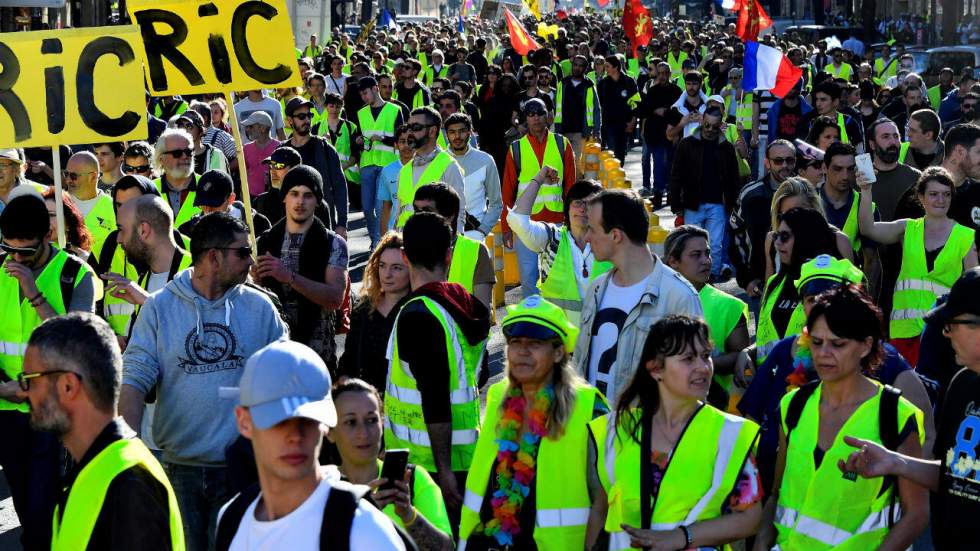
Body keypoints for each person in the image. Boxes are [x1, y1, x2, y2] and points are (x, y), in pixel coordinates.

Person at [120, 213, 289, 551]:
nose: (250, 261)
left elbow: (287, 380)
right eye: (242, 252)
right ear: (213, 257)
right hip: (180, 470)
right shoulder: (159, 309)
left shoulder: (261, 309)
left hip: (245, 470)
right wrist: (129, 459)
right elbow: (134, 380)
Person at [754, 286, 929, 550]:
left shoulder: (895, 414)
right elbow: (776, 493)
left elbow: (916, 514)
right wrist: (762, 542)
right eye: (816, 342)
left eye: (838, 344)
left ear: (866, 346)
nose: (824, 353)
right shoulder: (793, 405)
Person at [586, 315, 762, 551]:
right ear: (656, 369)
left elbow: (750, 518)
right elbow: (600, 509)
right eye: (688, 358)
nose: (703, 367)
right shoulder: (614, 429)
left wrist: (682, 537)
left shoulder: (731, 432)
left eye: (706, 356)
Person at [214, 341, 407, 551]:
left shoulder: (362, 529)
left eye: (308, 420)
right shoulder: (232, 518)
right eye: (278, 421)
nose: (295, 436)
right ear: (244, 422)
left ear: (326, 424)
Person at [838, 267, 980, 549]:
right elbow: (956, 475)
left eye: (952, 324)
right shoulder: (962, 385)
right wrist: (896, 462)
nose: (946, 334)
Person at [19, 313, 183, 550]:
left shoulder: (129, 486)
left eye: (30, 380)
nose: (24, 393)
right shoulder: (100, 467)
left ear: (68, 386)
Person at [460, 295, 608, 550]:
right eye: (515, 342)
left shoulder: (589, 408)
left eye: (535, 343)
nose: (522, 352)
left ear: (559, 351)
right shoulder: (498, 398)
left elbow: (604, 502)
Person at [0, 193, 97, 551]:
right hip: (9, 412)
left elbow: (80, 343)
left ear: (47, 236)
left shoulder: (75, 274)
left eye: (26, 250)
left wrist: (34, 293)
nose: (15, 258)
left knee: (47, 513)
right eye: (8, 248)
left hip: (57, 416)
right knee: (27, 511)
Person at [384, 211, 492, 529]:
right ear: (449, 254)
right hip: (466, 454)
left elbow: (435, 397)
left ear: (404, 257)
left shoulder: (417, 314)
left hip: (427, 467)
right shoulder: (465, 305)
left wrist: (443, 472)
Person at [575, 189, 702, 402]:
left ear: (615, 235)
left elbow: (691, 384)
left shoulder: (679, 296)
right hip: (594, 431)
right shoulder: (596, 289)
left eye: (592, 229)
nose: (586, 237)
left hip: (644, 432)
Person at [858, 166, 978, 366]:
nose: (941, 200)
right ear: (921, 197)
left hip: (942, 332)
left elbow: (973, 290)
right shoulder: (907, 228)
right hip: (903, 332)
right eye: (933, 194)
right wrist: (866, 190)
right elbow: (867, 228)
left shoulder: (967, 236)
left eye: (946, 194)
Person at [329, 378, 453, 549]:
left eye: (371, 420)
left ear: (382, 424)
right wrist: (366, 512)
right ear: (329, 432)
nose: (363, 433)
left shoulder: (414, 480)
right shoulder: (322, 487)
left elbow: (446, 548)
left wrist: (409, 515)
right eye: (351, 422)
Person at [255, 166, 348, 372]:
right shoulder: (264, 242)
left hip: (317, 358)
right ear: (284, 198)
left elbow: (334, 298)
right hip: (274, 352)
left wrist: (288, 276)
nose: (300, 202)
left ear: (317, 201)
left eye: (308, 195)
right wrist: (254, 282)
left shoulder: (333, 243)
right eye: (294, 194)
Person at [665, 225, 749, 407]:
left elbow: (742, 357)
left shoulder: (729, 306)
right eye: (696, 255)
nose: (706, 261)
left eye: (708, 253)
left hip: (716, 409)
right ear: (673, 261)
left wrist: (695, 364)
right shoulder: (655, 301)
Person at [501, 98, 577, 297]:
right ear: (525, 118)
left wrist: (572, 221)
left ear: (548, 116)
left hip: (557, 223)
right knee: (528, 280)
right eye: (531, 114)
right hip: (526, 222)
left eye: (540, 113)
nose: (535, 118)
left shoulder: (562, 144)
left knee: (557, 279)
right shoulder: (516, 148)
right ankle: (533, 322)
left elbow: (571, 186)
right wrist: (506, 227)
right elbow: (507, 191)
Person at [756, 206, 845, 366]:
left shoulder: (830, 286)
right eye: (776, 235)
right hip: (769, 379)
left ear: (806, 238)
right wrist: (747, 352)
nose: (777, 242)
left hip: (808, 377)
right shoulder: (774, 282)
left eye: (784, 236)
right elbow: (768, 337)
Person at [669, 106, 741, 282]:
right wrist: (676, 203)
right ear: (702, 121)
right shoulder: (687, 144)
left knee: (715, 246)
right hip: (693, 203)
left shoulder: (726, 147)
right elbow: (676, 174)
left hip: (718, 204)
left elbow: (734, 179)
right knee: (690, 246)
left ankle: (711, 279)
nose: (709, 130)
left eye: (714, 127)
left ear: (720, 125)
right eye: (706, 125)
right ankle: (691, 280)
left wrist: (733, 205)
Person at [337, 232, 409, 392]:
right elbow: (348, 360)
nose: (387, 274)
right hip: (366, 405)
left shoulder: (417, 310)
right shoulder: (364, 308)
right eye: (382, 265)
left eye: (396, 268)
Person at [731, 140, 798, 307]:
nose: (785, 165)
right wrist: (746, 279)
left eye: (789, 160)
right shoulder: (750, 194)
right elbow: (735, 234)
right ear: (767, 163)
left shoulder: (805, 193)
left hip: (799, 284)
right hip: (760, 285)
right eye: (778, 161)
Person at [412, 183, 494, 307]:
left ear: (450, 216)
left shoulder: (476, 251)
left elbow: (483, 312)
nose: (419, 217)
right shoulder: (406, 249)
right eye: (416, 211)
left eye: (427, 211)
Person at [282, 97, 349, 240]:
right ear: (290, 121)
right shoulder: (282, 151)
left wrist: (342, 223)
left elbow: (340, 186)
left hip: (322, 224)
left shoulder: (325, 149)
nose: (307, 120)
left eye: (309, 115)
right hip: (290, 227)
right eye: (301, 116)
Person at [393, 107, 465, 233]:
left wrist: (452, 247)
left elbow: (459, 214)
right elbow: (399, 215)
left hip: (435, 246)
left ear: (432, 131)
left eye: (415, 127)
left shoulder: (449, 166)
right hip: (406, 246)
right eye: (408, 127)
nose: (409, 132)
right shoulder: (404, 171)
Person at [357, 76, 406, 247]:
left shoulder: (395, 110)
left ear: (375, 89)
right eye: (361, 95)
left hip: (387, 165)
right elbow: (359, 135)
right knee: (367, 208)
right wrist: (359, 141)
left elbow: (402, 138)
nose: (364, 97)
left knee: (380, 208)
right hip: (367, 164)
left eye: (365, 93)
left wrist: (383, 138)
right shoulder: (361, 113)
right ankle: (374, 239)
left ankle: (378, 243)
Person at [444, 112, 501, 240]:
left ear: (470, 132)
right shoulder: (438, 162)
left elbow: (496, 203)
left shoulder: (486, 160)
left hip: (476, 236)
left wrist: (482, 230)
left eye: (462, 131)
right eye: (452, 132)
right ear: (446, 135)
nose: (457, 136)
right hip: (445, 237)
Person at [633, 61, 679, 205]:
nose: (663, 76)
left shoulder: (676, 91)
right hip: (655, 134)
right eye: (660, 73)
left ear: (670, 74)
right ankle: (658, 191)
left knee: (670, 164)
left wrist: (666, 112)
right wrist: (654, 110)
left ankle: (671, 192)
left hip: (671, 134)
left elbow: (679, 112)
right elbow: (644, 109)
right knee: (659, 163)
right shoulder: (652, 91)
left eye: (666, 73)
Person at [178, 170, 272, 237]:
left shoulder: (258, 225)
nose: (207, 210)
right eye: (202, 204)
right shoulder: (188, 231)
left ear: (231, 199)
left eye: (214, 204)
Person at [64, 151, 116, 256]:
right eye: (66, 174)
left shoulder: (113, 208)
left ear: (92, 176)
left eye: (74, 176)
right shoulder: (57, 204)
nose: (68, 180)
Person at [317, 92, 362, 207]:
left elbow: (356, 153)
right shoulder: (316, 127)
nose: (334, 109)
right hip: (326, 177)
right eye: (331, 106)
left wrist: (343, 166)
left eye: (338, 106)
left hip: (349, 177)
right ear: (326, 106)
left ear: (342, 107)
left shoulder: (350, 126)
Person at [554, 55, 601, 165]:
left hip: (581, 132)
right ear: (572, 65)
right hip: (562, 130)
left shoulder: (589, 85)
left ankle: (576, 183)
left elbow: (596, 110)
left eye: (581, 66)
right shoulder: (563, 83)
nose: (577, 68)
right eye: (575, 65)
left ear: (585, 68)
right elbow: (556, 106)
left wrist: (597, 132)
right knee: (561, 163)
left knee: (576, 164)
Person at [154, 129, 203, 228]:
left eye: (188, 152)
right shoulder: (149, 190)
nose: (185, 156)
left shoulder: (207, 185)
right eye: (177, 153)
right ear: (161, 159)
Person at [797, 81, 864, 150]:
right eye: (817, 99)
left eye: (823, 99)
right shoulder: (807, 120)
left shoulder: (849, 122)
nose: (818, 104)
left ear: (835, 102)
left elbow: (861, 153)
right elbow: (801, 150)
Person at [597, 55, 637, 164]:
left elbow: (636, 104)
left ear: (616, 67)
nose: (606, 69)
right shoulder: (603, 84)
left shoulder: (629, 82)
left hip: (625, 124)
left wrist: (632, 122)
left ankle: (619, 175)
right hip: (609, 124)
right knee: (612, 151)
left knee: (621, 153)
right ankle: (613, 177)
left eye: (608, 66)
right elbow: (598, 105)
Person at [378, 125, 414, 233]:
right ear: (396, 145)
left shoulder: (427, 168)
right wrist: (384, 240)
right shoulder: (387, 171)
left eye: (410, 141)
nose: (407, 145)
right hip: (396, 232)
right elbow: (386, 207)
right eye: (402, 141)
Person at [176, 110, 230, 176]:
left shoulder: (216, 155)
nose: (183, 130)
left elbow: (221, 184)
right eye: (180, 126)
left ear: (201, 131)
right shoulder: (173, 154)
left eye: (189, 126)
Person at [241, 111, 280, 198]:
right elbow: (245, 175)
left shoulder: (279, 148)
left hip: (272, 198)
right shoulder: (246, 148)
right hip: (250, 199)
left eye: (250, 126)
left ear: (262, 128)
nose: (247, 129)